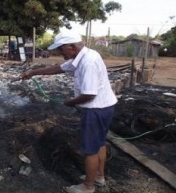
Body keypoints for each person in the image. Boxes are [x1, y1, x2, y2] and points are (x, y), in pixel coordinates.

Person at [20, 31, 117, 193]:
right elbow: (59, 68)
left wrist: (71, 102)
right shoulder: (82, 57)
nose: (58, 52)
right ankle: (98, 176)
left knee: (90, 149)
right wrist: (33, 73)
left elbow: (89, 94)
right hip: (105, 107)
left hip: (95, 110)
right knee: (99, 143)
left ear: (70, 47)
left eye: (60, 49)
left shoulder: (88, 62)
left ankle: (88, 186)